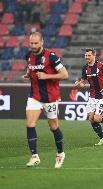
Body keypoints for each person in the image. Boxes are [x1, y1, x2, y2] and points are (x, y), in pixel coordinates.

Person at [22, 32, 69, 168]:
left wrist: (46, 76)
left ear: (42, 42)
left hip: (50, 97)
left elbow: (65, 74)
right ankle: (34, 156)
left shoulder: (51, 56)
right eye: (31, 43)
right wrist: (27, 74)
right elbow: (31, 68)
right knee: (30, 124)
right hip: (34, 96)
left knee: (53, 127)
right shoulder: (28, 56)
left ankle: (60, 153)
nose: (33, 45)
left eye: (36, 43)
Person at [74, 48, 103, 146]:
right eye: (86, 55)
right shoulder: (85, 68)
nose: (87, 57)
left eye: (89, 55)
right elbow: (82, 82)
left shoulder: (101, 66)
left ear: (94, 56)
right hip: (92, 96)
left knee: (97, 118)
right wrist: (78, 84)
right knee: (91, 119)